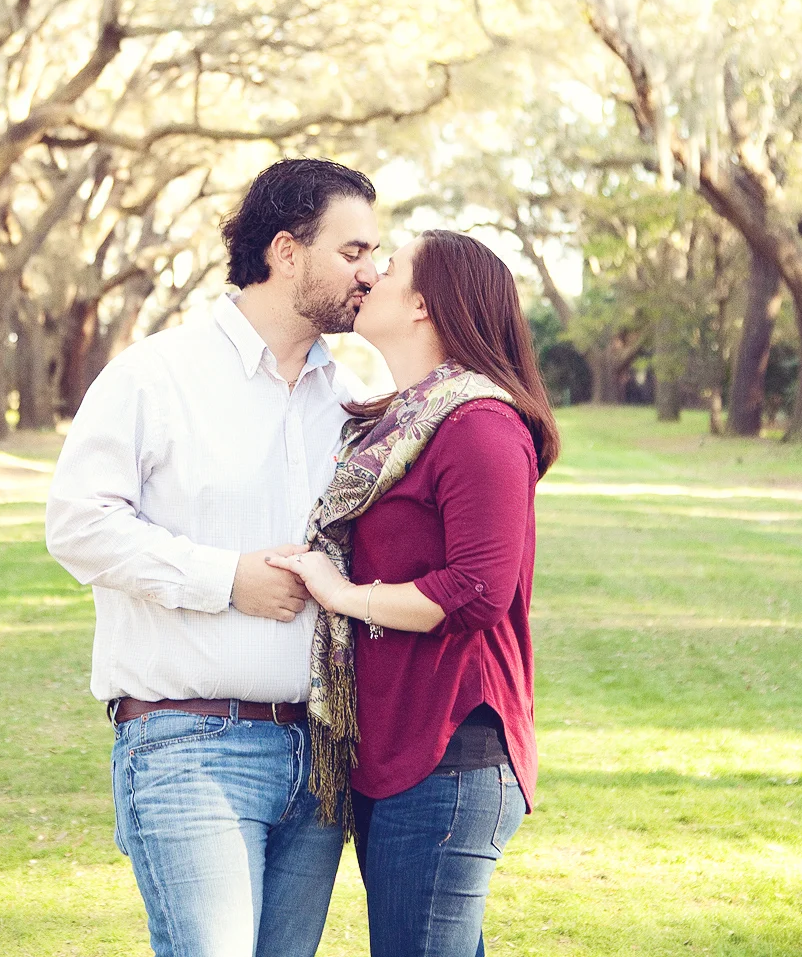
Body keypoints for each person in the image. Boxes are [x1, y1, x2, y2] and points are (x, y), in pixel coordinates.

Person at [44, 157, 381, 957]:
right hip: (191, 745)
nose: (374, 272)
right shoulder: (156, 375)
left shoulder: (354, 393)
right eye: (354, 251)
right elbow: (78, 523)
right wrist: (225, 578)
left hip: (322, 755)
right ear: (286, 251)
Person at [270, 230, 557, 957]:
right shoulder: (401, 420)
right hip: (399, 746)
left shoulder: (480, 424)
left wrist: (343, 593)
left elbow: (476, 591)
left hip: (451, 751)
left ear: (425, 303)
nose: (369, 274)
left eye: (389, 267)